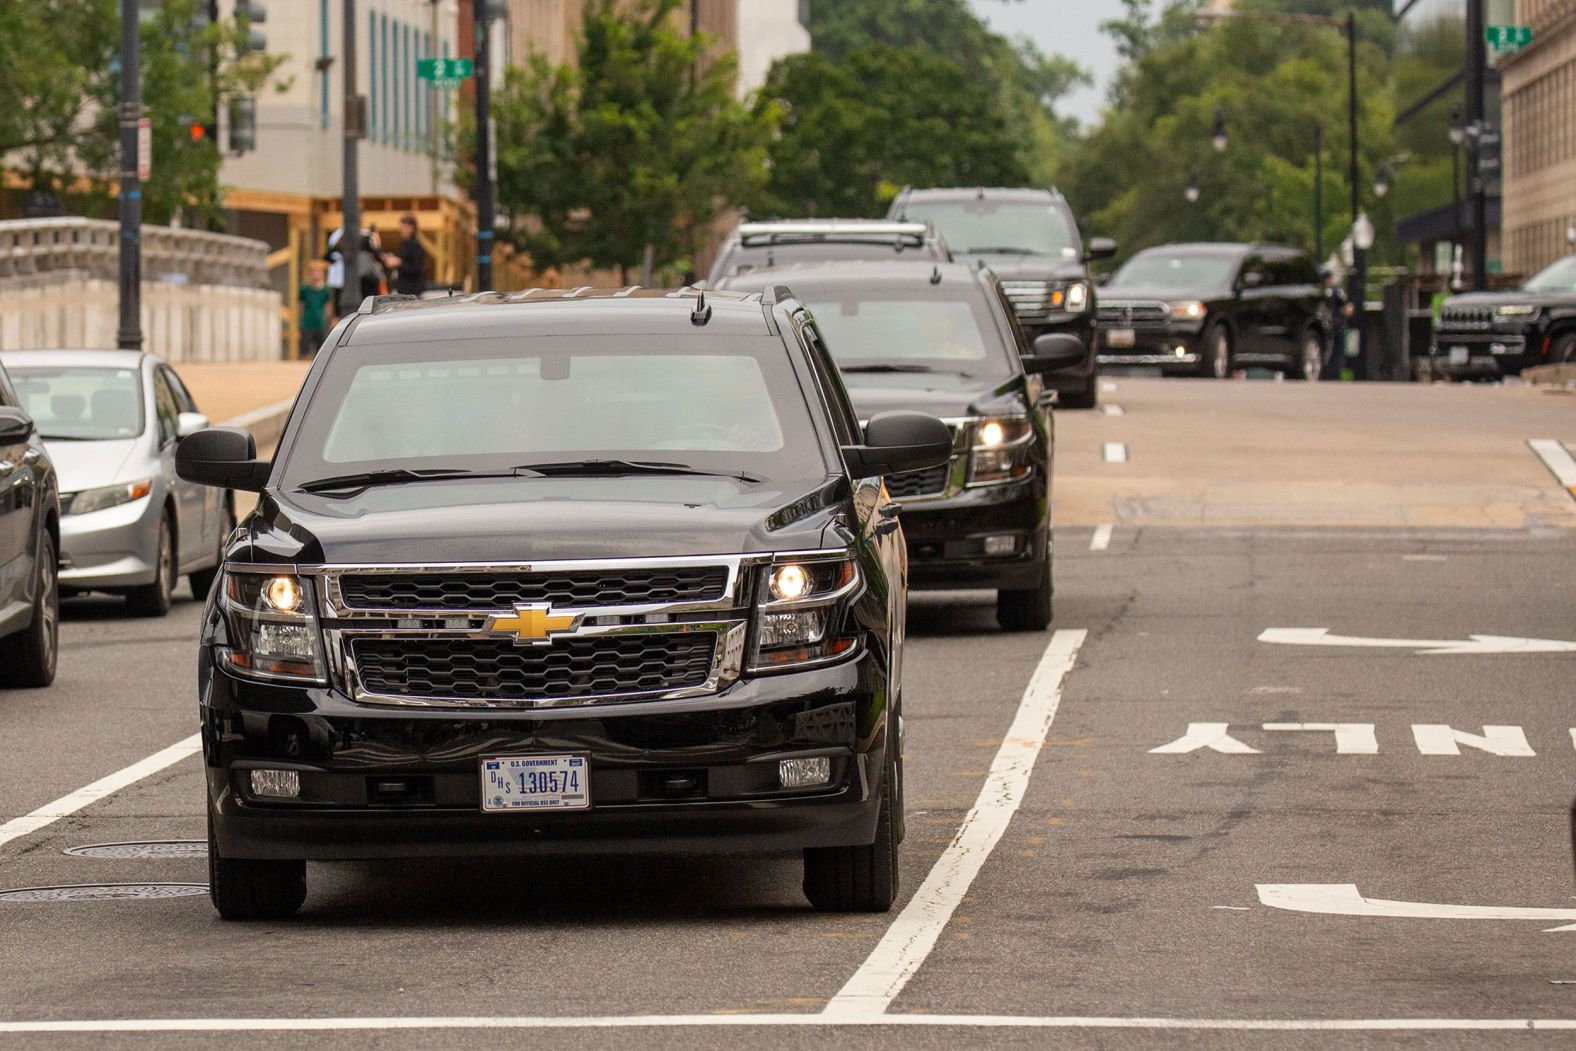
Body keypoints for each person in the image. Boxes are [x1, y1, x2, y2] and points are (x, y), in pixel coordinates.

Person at [1320, 266, 1355, 380]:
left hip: (1323, 325)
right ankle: (1334, 375)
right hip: (1337, 325)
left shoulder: (1319, 292)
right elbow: (1348, 309)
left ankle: (1323, 375)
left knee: (1324, 350)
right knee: (1338, 351)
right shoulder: (1336, 291)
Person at [382, 214, 429, 297]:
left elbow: (416, 268)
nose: (401, 230)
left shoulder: (415, 246)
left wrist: (399, 263)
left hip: (412, 290)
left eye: (404, 227)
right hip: (403, 288)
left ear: (411, 228)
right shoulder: (404, 244)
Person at [298, 260, 333, 358]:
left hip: (320, 323)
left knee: (320, 353)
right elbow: (300, 306)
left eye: (319, 271)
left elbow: (328, 307)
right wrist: (300, 321)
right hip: (307, 323)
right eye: (314, 271)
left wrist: (326, 320)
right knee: (304, 351)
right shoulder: (304, 289)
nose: (316, 274)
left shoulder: (326, 290)